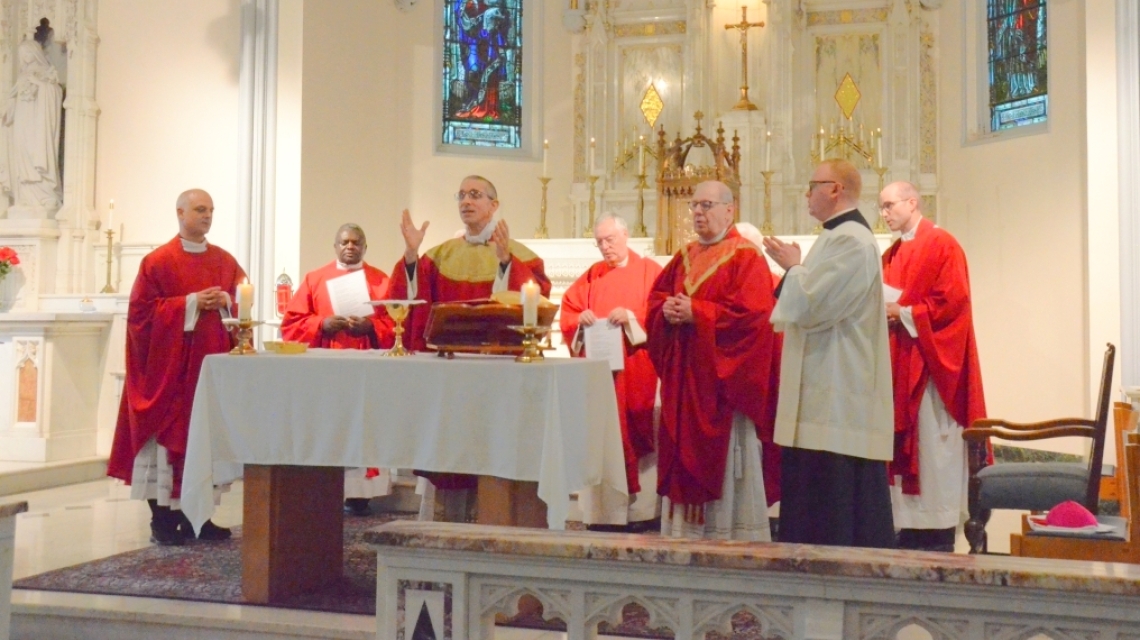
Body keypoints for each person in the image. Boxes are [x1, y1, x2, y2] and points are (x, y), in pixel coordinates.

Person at [388, 175, 551, 521]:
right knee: (452, 448)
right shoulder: (439, 255)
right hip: (452, 380)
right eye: (461, 195)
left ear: (494, 205)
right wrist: (411, 256)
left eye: (475, 195)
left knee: (494, 448)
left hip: (498, 378)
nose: (466, 201)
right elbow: (412, 307)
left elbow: (534, 306)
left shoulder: (521, 255)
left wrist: (507, 263)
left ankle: (497, 520)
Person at [762, 159, 895, 549]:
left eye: (813, 184)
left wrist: (792, 268)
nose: (807, 193)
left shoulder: (852, 240)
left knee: (835, 518)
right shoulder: (835, 237)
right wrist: (796, 270)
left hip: (838, 399)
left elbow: (815, 306)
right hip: (825, 392)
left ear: (835, 189)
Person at [646, 180, 781, 541]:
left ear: (729, 209)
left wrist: (698, 313)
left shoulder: (746, 257)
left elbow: (754, 319)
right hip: (686, 380)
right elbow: (655, 300)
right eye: (694, 206)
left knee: (725, 460)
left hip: (722, 386)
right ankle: (682, 534)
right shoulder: (684, 255)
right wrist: (667, 310)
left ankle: (728, 536)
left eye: (707, 205)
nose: (699, 213)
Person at [107, 189, 243, 545]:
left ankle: (201, 515)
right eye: (200, 209)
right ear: (180, 213)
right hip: (168, 373)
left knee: (205, 441)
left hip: (207, 370)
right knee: (165, 447)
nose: (207, 215)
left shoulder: (225, 261)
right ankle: (163, 521)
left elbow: (243, 304)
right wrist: (191, 303)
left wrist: (227, 301)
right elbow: (140, 314)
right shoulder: (158, 262)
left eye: (211, 210)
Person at [879, 181, 986, 552]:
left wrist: (904, 313)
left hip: (930, 370)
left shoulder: (943, 244)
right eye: (881, 207)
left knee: (932, 448)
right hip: (898, 363)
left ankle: (935, 531)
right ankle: (905, 528)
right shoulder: (891, 254)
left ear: (913, 202)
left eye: (890, 204)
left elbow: (954, 304)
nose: (885, 212)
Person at [281, 223, 397, 516]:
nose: (350, 246)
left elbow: (399, 325)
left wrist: (372, 327)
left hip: (366, 370)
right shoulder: (315, 279)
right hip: (326, 372)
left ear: (365, 247)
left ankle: (361, 497)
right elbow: (291, 325)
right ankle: (326, 491)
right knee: (330, 427)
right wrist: (321, 324)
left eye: (356, 242)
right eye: (344, 242)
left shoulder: (381, 280)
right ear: (335, 246)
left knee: (364, 425)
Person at [560, 213, 662, 532]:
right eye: (600, 242)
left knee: (635, 428)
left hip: (637, 370)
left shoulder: (649, 271)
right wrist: (582, 320)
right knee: (602, 436)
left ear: (626, 235)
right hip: (601, 374)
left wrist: (632, 317)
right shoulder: (593, 275)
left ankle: (641, 512)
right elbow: (569, 310)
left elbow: (662, 311)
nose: (605, 247)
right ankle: (604, 513)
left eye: (610, 240)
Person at [2, 40, 62, 212]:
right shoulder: (21, 76)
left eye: (28, 53)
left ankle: (45, 196)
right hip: (22, 121)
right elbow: (13, 98)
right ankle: (25, 198)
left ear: (35, 52)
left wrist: (38, 83)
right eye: (22, 55)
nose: (25, 58)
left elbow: (55, 93)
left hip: (38, 124)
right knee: (22, 156)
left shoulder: (46, 72)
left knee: (37, 153)